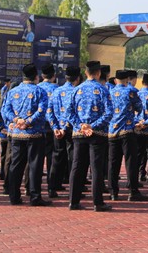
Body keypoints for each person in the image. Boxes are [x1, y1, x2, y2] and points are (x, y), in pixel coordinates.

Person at [2, 64, 51, 207]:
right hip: (35, 134)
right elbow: (42, 111)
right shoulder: (40, 91)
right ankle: (35, 196)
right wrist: (28, 122)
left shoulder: (12, 92)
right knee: (35, 166)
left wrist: (17, 120)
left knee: (16, 165)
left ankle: (14, 196)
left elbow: (6, 110)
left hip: (17, 134)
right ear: (36, 77)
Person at [68, 60, 113, 212]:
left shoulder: (76, 89)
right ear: (99, 73)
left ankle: (73, 201)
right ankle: (97, 203)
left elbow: (69, 112)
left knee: (77, 167)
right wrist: (92, 126)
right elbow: (109, 113)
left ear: (85, 73)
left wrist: (81, 125)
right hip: (97, 134)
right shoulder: (103, 90)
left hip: (79, 133)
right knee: (96, 168)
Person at [108, 70, 147, 202]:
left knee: (113, 163)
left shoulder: (109, 92)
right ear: (127, 80)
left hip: (112, 131)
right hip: (127, 130)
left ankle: (113, 192)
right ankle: (133, 191)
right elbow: (140, 108)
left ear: (115, 80)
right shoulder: (131, 91)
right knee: (130, 162)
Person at [48, 66, 81, 198]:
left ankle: (52, 187)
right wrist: (65, 128)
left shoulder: (56, 91)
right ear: (77, 78)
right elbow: (72, 113)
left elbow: (49, 111)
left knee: (56, 158)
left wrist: (55, 127)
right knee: (74, 160)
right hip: (71, 129)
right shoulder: (76, 92)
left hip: (57, 131)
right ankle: (74, 191)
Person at [37, 63, 57, 196]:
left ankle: (31, 186)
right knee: (52, 159)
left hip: (37, 128)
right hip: (52, 128)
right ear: (53, 76)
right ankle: (51, 188)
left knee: (36, 159)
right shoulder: (57, 89)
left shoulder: (36, 88)